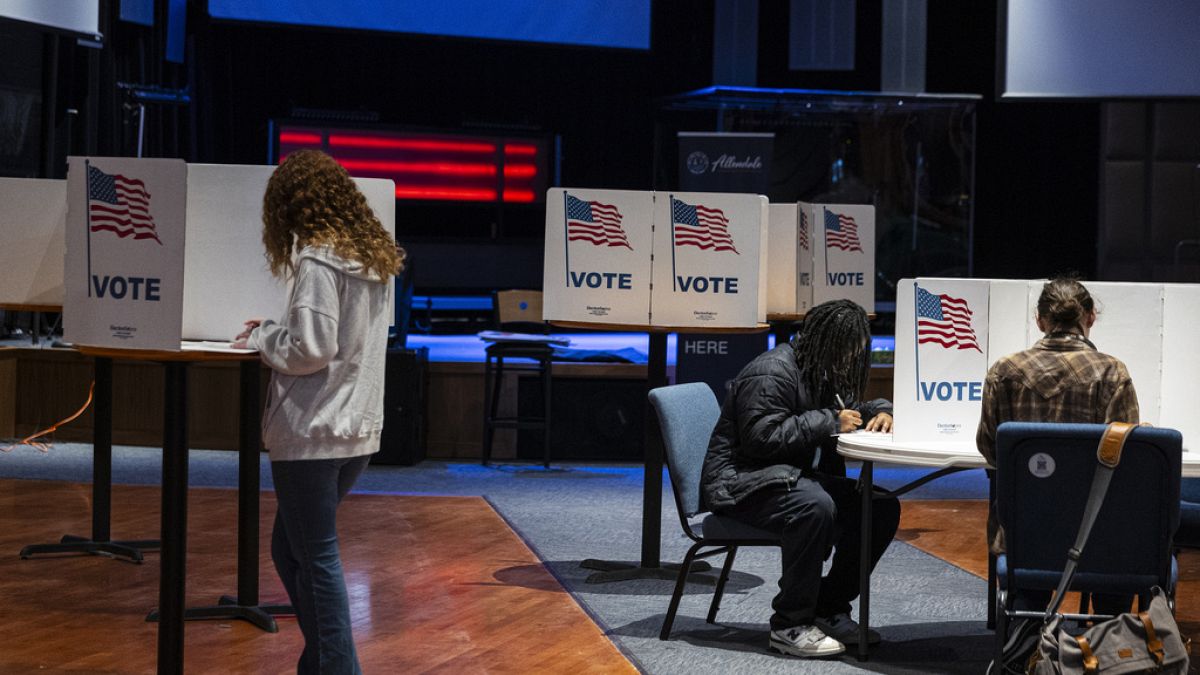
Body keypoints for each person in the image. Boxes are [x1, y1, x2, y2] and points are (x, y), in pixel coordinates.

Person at [232, 149, 404, 674]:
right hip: (356, 432)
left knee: (318, 557)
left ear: (290, 207)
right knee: (290, 550)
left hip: (312, 431)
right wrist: (280, 330)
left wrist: (263, 337)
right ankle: (323, 660)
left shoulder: (316, 259)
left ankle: (337, 667)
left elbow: (311, 349)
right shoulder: (374, 258)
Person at [701, 299, 900, 658]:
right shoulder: (772, 371)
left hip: (785, 477)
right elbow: (760, 438)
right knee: (814, 506)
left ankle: (827, 607)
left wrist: (882, 410)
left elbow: (852, 407)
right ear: (827, 342)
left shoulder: (821, 368)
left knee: (881, 506)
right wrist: (828, 421)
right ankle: (789, 624)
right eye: (847, 352)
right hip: (741, 482)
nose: (850, 360)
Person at [976, 275, 1139, 614]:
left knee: (1029, 584)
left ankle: (1022, 648)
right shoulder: (1112, 373)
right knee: (1115, 574)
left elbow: (991, 449)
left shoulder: (1003, 371)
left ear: (1040, 320)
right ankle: (1109, 646)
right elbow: (1126, 459)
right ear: (1090, 316)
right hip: (1097, 534)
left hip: (1024, 530)